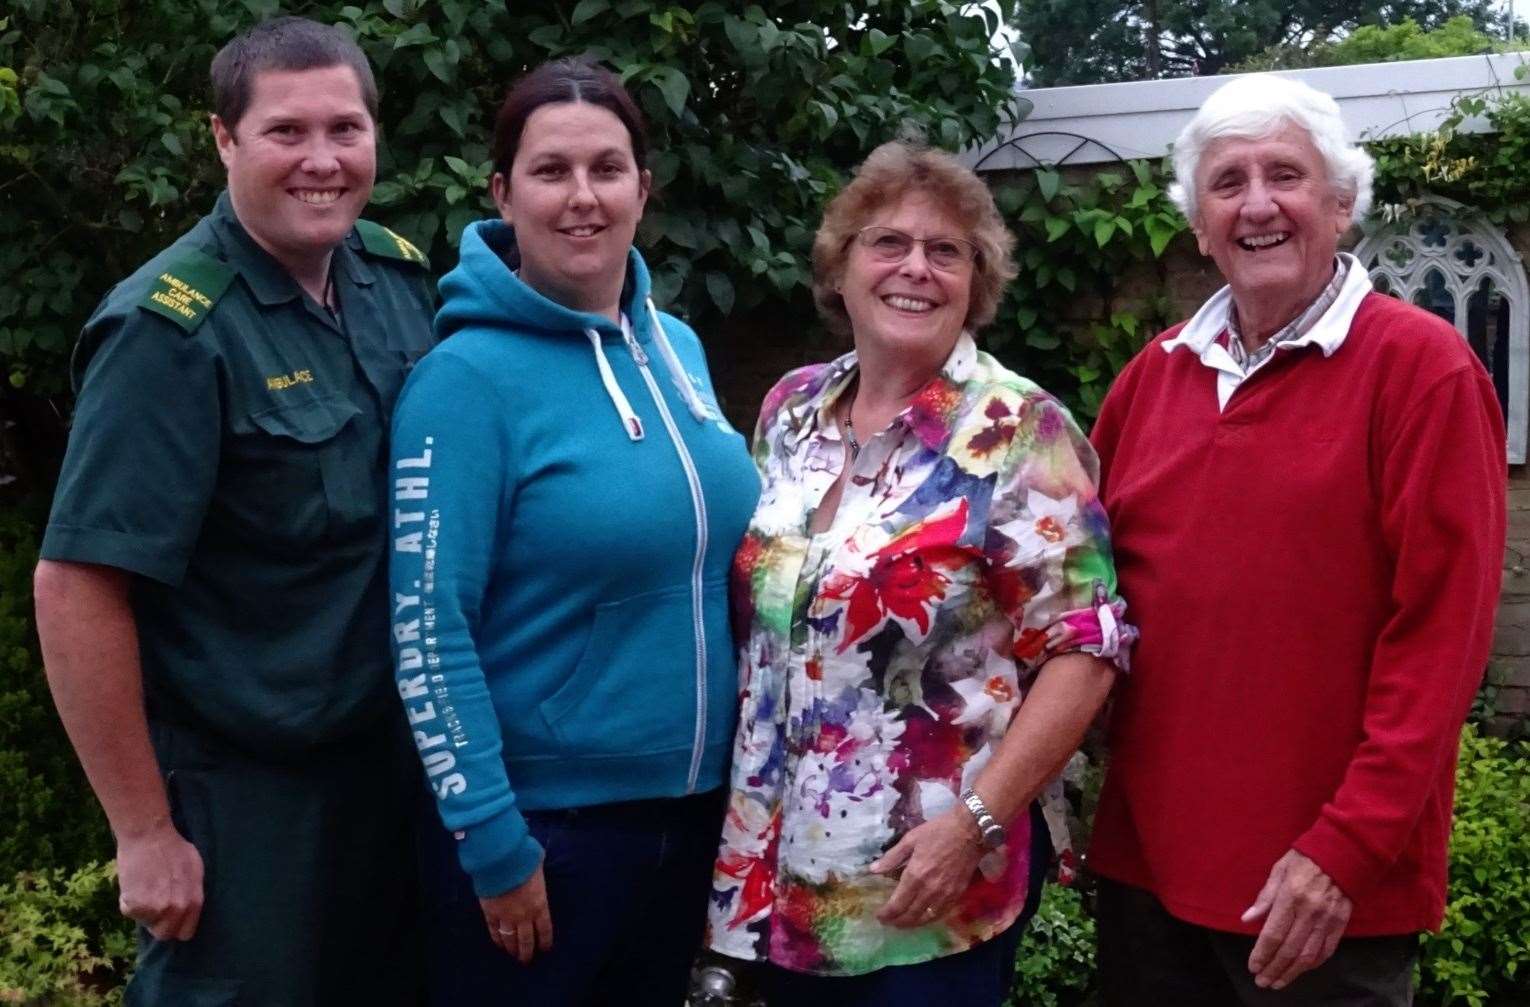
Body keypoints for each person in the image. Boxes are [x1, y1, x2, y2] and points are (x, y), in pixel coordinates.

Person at [31, 16, 435, 1006]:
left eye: (346, 129)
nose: (322, 160)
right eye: (286, 132)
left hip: (394, 772)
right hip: (248, 799)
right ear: (224, 140)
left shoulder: (395, 279)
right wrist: (142, 830)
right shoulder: (168, 333)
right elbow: (78, 585)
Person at [1087, 74, 1506, 1005]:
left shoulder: (1423, 372)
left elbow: (1441, 636)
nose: (1259, 203)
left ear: (1342, 203)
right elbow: (1088, 605)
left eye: (1287, 174)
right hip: (1147, 873)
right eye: (1227, 182)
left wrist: (1346, 848)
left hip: (1318, 895)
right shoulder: (1150, 380)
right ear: (1197, 223)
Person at [704, 139, 1133, 1006]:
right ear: (842, 267)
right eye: (888, 243)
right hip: (777, 883)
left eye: (947, 252)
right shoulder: (792, 411)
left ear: (977, 281)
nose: (916, 268)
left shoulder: (1019, 431)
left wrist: (974, 822)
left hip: (925, 889)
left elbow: (1087, 649)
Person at [387, 57, 759, 1007]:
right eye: (551, 171)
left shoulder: (677, 349)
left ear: (644, 185)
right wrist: (491, 838)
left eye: (608, 167)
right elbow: (430, 630)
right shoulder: (463, 382)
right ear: (503, 193)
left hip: (686, 817)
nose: (582, 197)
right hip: (544, 831)